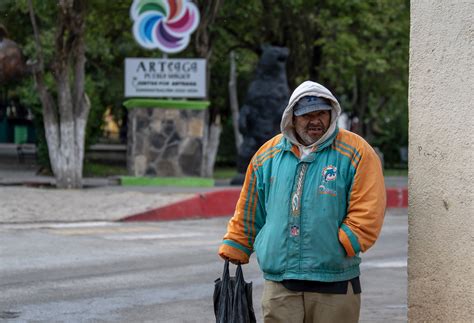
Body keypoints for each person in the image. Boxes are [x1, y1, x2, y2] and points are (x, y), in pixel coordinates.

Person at [218, 80, 386, 323]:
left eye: (321, 113)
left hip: (334, 279)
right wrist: (237, 243)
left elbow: (370, 204)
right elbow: (250, 207)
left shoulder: (357, 151)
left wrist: (349, 239)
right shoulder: (268, 155)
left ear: (332, 115)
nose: (315, 120)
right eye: (307, 114)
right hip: (281, 282)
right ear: (292, 117)